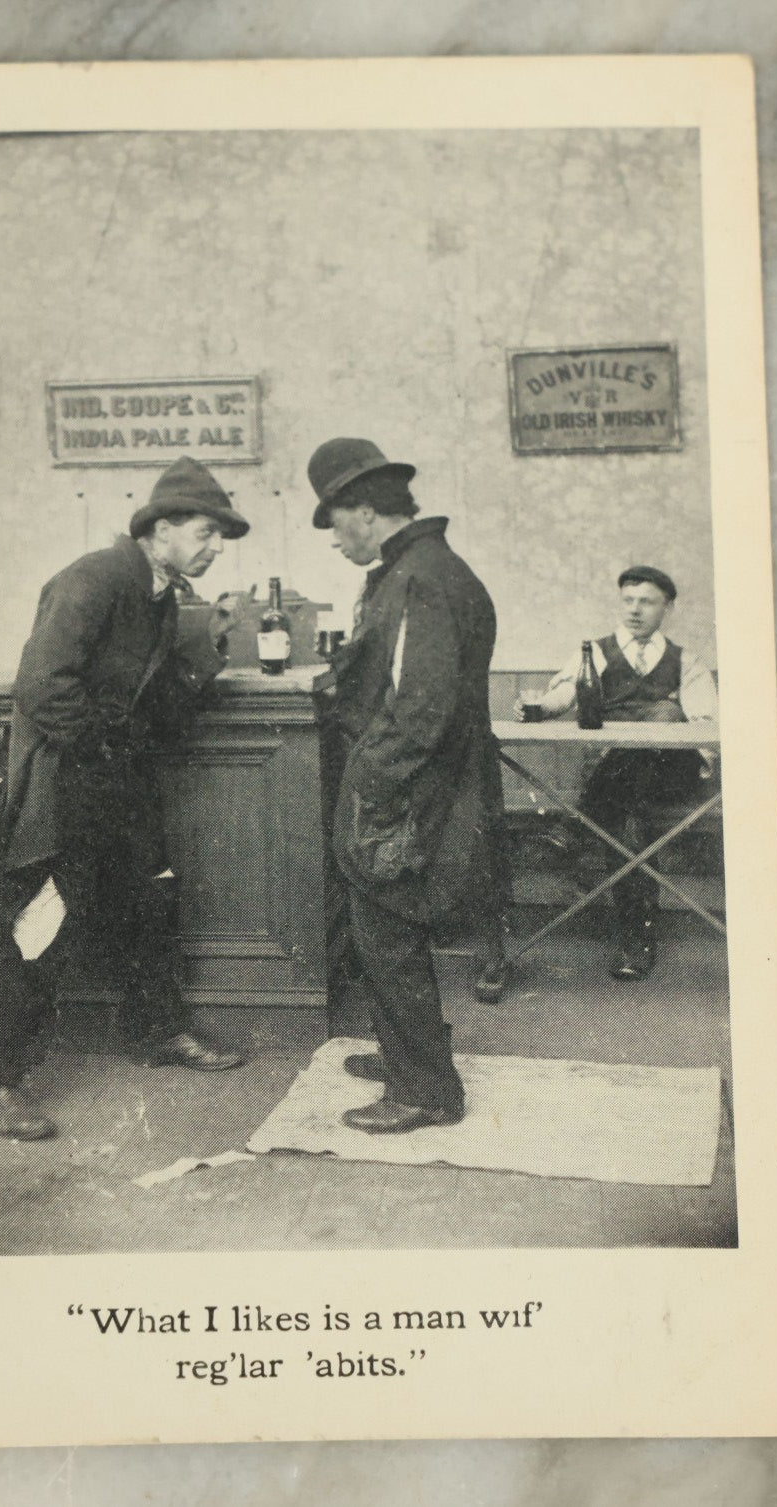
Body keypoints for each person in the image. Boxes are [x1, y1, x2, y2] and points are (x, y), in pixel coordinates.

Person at [0, 456, 251, 1140]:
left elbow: (150, 707)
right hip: (70, 781)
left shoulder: (159, 596)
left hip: (117, 779)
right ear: (160, 528)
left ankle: (157, 1032)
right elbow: (40, 684)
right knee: (45, 919)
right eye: (207, 533)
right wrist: (99, 745)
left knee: (150, 896)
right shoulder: (95, 578)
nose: (217, 547)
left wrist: (207, 648)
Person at [308, 436, 510, 1135]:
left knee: (385, 930)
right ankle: (408, 1056)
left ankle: (425, 1088)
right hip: (425, 782)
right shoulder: (423, 568)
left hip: (409, 788)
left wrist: (368, 786)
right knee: (385, 928)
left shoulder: (419, 578)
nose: (334, 541)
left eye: (334, 524)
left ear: (363, 510)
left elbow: (419, 709)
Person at [517, 565, 718, 980]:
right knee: (629, 827)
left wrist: (675, 729)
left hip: (666, 775)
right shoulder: (596, 651)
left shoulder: (686, 661)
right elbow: (562, 694)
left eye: (646, 601)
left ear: (668, 607)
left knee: (664, 715)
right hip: (618, 784)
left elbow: (706, 726)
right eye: (628, 600)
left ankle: (573, 827)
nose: (634, 610)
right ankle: (636, 943)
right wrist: (536, 708)